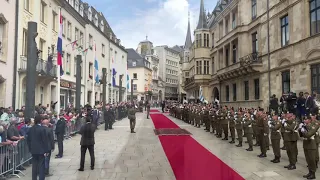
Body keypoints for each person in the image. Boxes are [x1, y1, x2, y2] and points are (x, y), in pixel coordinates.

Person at [27, 115, 49, 180]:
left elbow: (28, 140)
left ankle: (34, 178)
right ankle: (41, 178)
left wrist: (30, 148)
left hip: (33, 150)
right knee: (41, 166)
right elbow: (44, 140)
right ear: (41, 121)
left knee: (34, 165)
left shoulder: (31, 129)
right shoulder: (42, 129)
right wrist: (46, 150)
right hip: (41, 150)